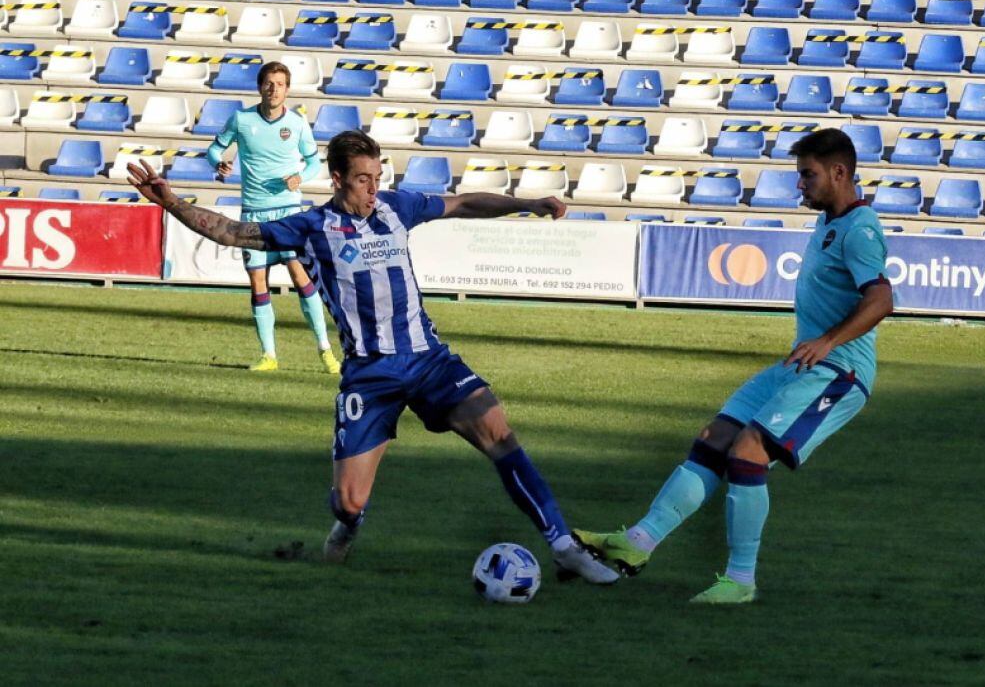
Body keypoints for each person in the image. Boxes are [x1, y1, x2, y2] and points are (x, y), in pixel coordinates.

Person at [127, 130, 619, 585]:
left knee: (499, 433)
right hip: (369, 375)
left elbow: (464, 201)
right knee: (350, 501)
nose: (372, 189)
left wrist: (527, 203)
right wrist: (170, 201)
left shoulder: (396, 208)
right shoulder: (312, 227)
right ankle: (347, 525)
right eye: (363, 180)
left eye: (378, 178)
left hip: (429, 361)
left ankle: (562, 544)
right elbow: (233, 232)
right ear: (337, 178)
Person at [574, 128, 894, 604]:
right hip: (802, 364)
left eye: (808, 175)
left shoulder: (860, 229)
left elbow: (883, 298)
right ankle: (637, 543)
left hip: (838, 374)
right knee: (715, 439)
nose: (800, 185)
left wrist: (827, 342)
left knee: (747, 451)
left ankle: (740, 582)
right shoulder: (831, 222)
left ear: (839, 172)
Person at [207, 60, 340, 374]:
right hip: (254, 214)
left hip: (289, 215)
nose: (273, 89)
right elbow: (214, 149)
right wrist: (220, 163)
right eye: (269, 83)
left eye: (280, 84)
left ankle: (325, 351)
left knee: (300, 277)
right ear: (260, 87)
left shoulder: (296, 123)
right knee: (258, 283)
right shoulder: (241, 119)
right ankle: (269, 355)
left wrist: (300, 177)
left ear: (287, 89)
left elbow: (312, 162)